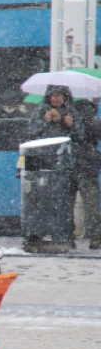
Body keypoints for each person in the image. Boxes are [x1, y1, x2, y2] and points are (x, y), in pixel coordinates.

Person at [72, 97, 101, 248]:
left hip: (80, 164)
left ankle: (68, 237)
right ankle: (95, 237)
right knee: (89, 203)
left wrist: (73, 124)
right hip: (80, 164)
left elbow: (89, 134)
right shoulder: (89, 112)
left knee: (86, 203)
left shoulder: (83, 112)